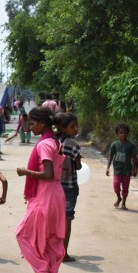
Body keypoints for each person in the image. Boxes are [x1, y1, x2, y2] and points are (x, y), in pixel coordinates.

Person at [15, 107, 66, 273]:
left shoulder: (44, 144)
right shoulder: (54, 141)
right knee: (51, 239)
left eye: (33, 123)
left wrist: (26, 172)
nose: (30, 126)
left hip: (45, 195)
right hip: (56, 194)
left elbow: (47, 173)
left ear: (42, 124)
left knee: (24, 234)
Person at [57, 112, 82, 262]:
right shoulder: (73, 145)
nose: (75, 129)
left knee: (54, 218)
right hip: (70, 186)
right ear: (63, 128)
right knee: (67, 218)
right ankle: (64, 253)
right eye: (72, 127)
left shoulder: (53, 142)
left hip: (54, 185)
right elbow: (78, 166)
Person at [105, 123, 138, 210]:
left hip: (127, 169)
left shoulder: (131, 145)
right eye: (121, 133)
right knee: (116, 185)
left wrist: (134, 168)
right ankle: (118, 197)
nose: (123, 134)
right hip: (117, 169)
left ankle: (123, 202)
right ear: (117, 134)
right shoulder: (114, 145)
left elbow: (134, 157)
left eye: (125, 133)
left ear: (127, 133)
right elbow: (111, 156)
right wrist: (108, 168)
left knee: (125, 187)